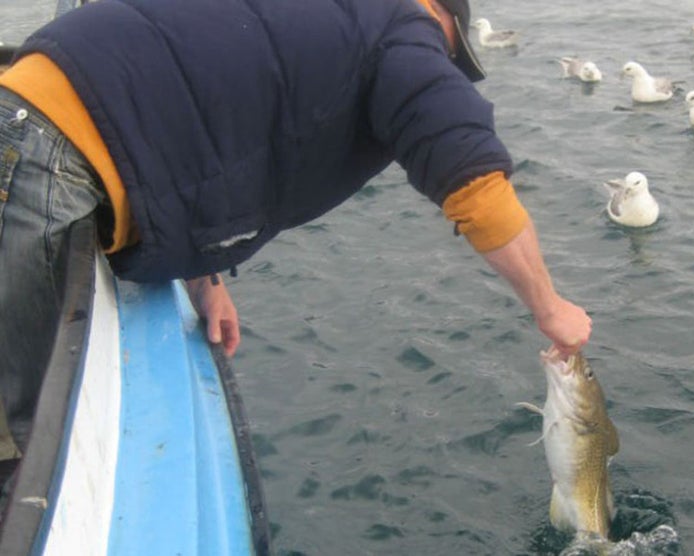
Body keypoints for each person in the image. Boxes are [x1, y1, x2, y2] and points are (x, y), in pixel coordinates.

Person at [0, 0, 591, 488]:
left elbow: (189, 115)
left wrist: (204, 283)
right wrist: (550, 307)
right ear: (442, 22)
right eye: (451, 57)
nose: (446, 66)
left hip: (34, 109)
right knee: (25, 456)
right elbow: (473, 180)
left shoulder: (312, 21)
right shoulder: (404, 29)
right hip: (45, 152)